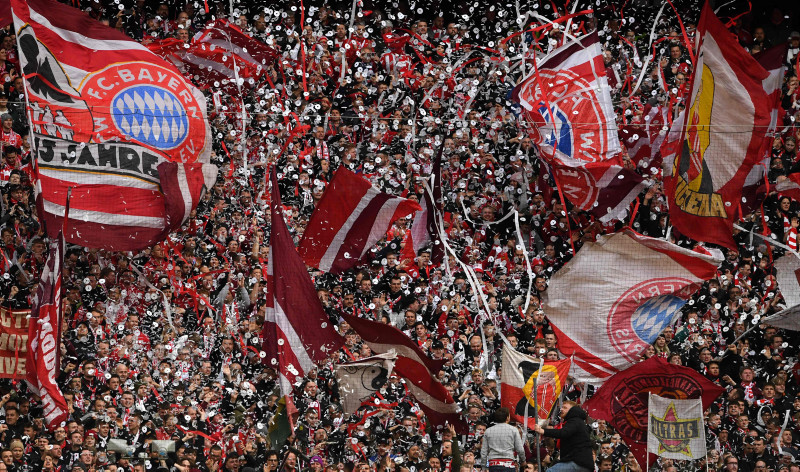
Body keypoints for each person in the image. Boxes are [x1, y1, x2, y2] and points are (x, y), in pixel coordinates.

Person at [533, 402, 594, 472]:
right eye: (562, 407)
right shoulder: (577, 422)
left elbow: (563, 433)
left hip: (577, 462)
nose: (561, 409)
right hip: (582, 463)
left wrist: (543, 431)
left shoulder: (575, 421)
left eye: (565, 408)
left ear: (572, 410)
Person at [480, 407, 526, 472]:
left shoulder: (488, 431)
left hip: (493, 465)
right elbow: (520, 449)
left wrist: (483, 466)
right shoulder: (513, 430)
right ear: (507, 417)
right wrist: (523, 460)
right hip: (508, 465)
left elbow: (484, 451)